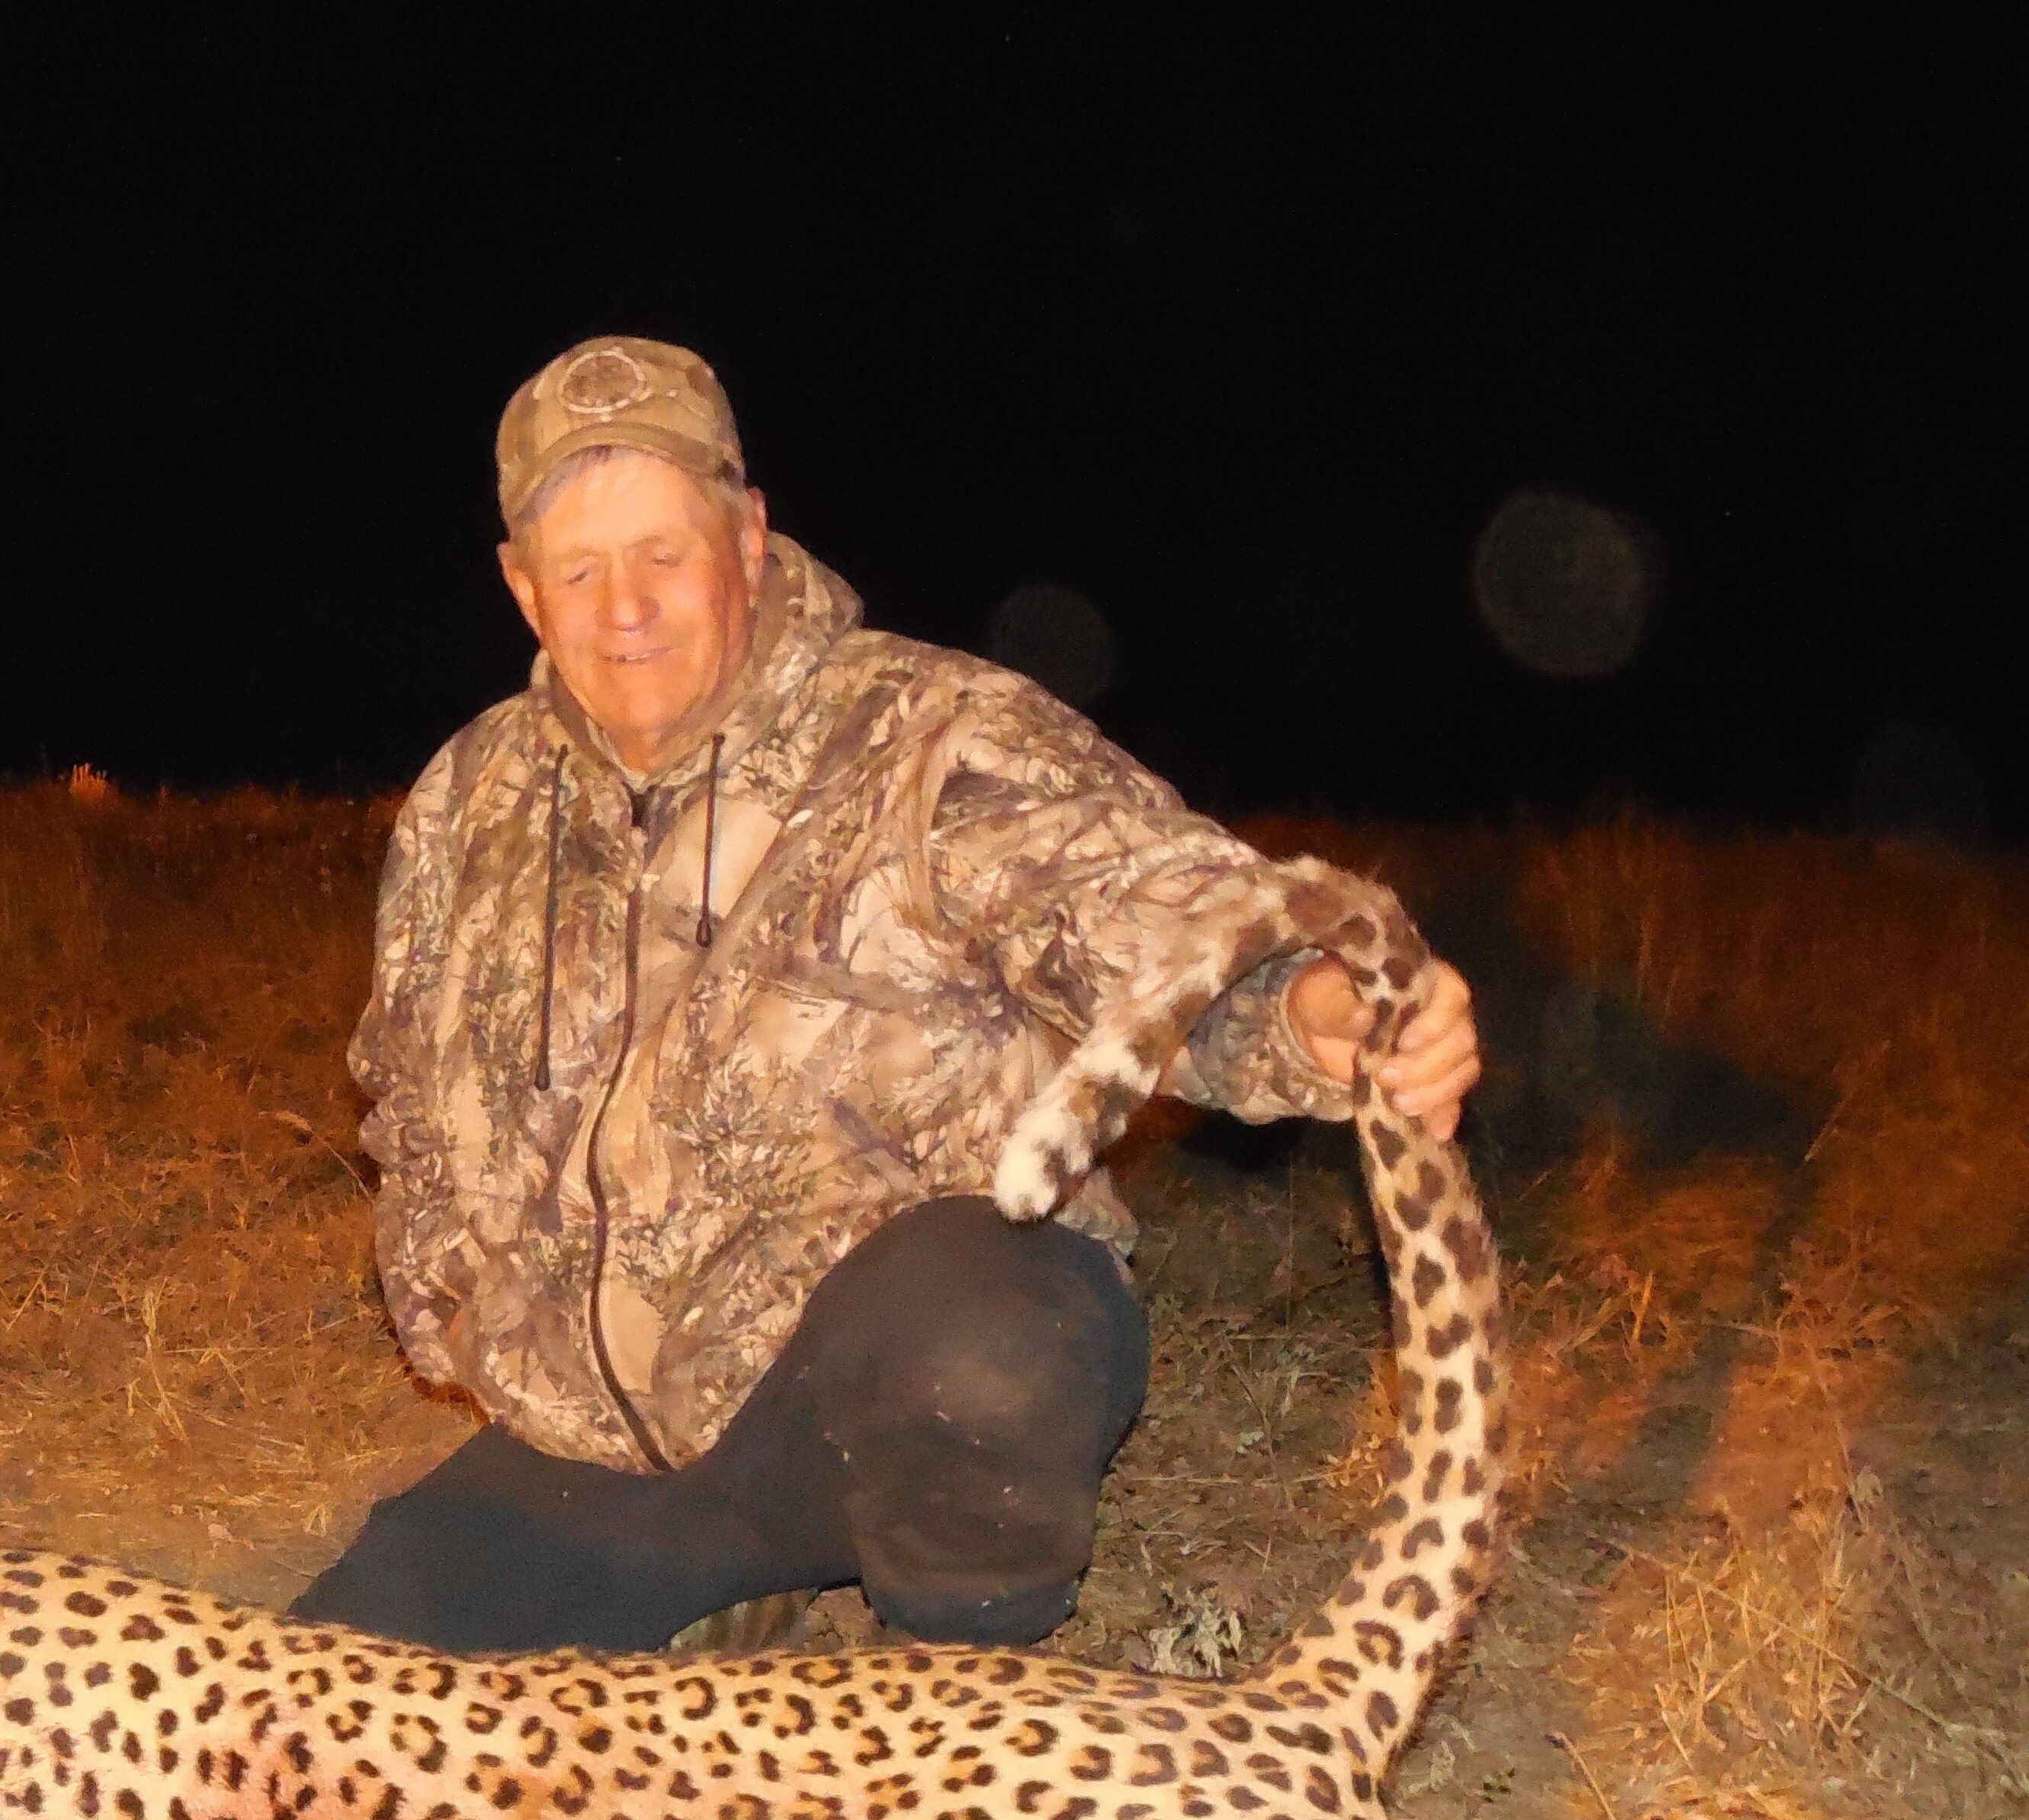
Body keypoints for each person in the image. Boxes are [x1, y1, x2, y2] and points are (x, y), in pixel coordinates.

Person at [293, 335, 1479, 1656]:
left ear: (747, 539)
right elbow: (399, 1092)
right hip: (587, 1453)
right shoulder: (470, 799)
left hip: (847, 1420)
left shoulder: (928, 738)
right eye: (579, 568)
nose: (622, 605)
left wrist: (1305, 1006)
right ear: (523, 589)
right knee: (307, 1721)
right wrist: (456, 1305)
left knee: (987, 1335)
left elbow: (1141, 911)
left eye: (664, 553)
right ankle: (720, 1602)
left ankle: (951, 1681)